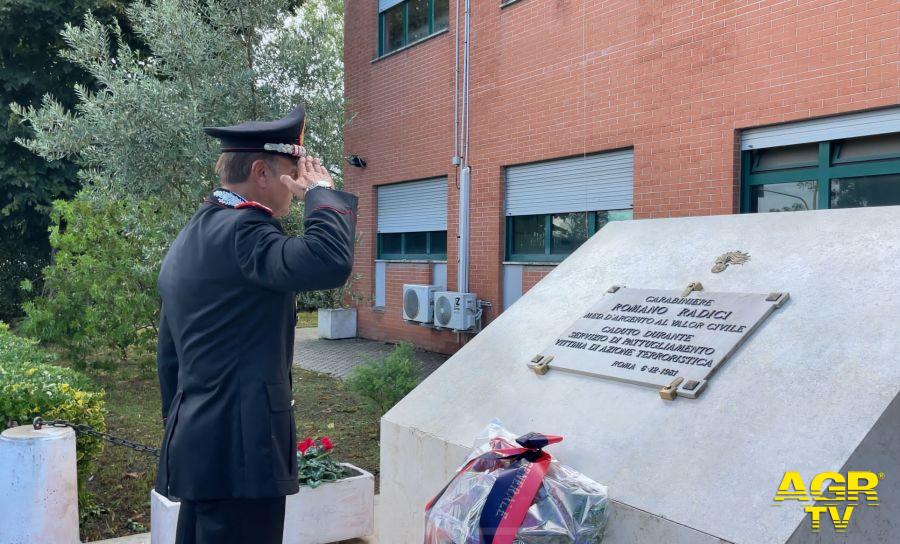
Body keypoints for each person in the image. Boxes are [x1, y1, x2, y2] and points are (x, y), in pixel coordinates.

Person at [154, 105, 358, 544]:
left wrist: (182, 425)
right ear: (263, 172)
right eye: (295, 171)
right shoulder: (245, 232)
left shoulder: (195, 233)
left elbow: (168, 358)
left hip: (199, 446)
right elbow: (328, 261)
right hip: (242, 456)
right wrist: (323, 194)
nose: (301, 182)